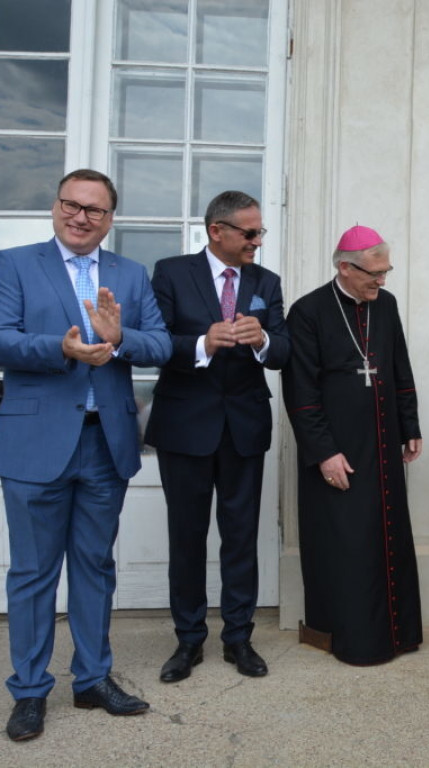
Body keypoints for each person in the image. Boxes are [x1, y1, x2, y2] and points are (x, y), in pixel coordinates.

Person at [0, 169, 172, 741]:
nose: (81, 217)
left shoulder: (131, 273)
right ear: (55, 207)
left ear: (109, 218)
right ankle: (28, 691)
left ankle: (93, 679)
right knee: (32, 573)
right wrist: (62, 347)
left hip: (107, 442)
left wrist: (119, 337)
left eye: (94, 210)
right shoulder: (16, 264)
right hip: (36, 444)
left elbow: (162, 343)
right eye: (71, 205)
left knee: (96, 567)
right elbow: (3, 337)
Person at [145, 191, 290, 683]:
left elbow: (284, 349)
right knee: (186, 537)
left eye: (260, 232)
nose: (257, 241)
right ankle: (188, 641)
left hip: (244, 428)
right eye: (250, 233)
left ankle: (238, 639)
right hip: (185, 427)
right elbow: (155, 342)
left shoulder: (265, 282)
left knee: (240, 536)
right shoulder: (171, 272)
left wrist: (264, 340)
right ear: (217, 231)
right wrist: (203, 343)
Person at [282, 225, 423, 665]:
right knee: (348, 543)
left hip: (382, 444)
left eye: (386, 272)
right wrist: (324, 452)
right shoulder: (308, 312)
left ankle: (398, 635)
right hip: (338, 450)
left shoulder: (387, 305)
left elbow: (399, 365)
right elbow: (300, 390)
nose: (381, 281)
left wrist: (410, 423)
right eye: (373, 273)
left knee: (387, 537)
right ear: (345, 267)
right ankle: (356, 640)